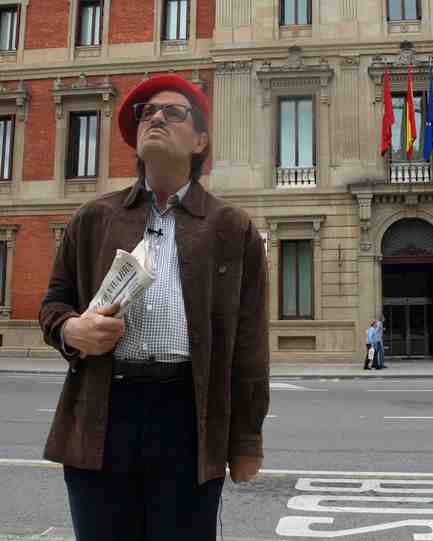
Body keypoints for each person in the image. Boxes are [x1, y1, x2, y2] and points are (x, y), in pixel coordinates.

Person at [38, 74, 270, 541]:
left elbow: (249, 346)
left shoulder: (233, 229)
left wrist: (246, 441)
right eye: (148, 113)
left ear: (200, 139)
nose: (157, 117)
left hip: (187, 417)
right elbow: (53, 305)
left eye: (173, 111)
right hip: (103, 415)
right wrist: (72, 331)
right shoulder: (93, 218)